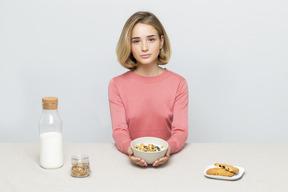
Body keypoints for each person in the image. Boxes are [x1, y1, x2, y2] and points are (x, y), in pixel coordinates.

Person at [108, 11, 188, 167]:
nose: (144, 47)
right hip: (128, 166)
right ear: (129, 45)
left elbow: (181, 131)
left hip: (168, 165)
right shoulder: (116, 84)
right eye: (136, 41)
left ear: (161, 42)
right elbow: (119, 130)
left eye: (151, 39)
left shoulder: (179, 83)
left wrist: (167, 150)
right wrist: (130, 149)